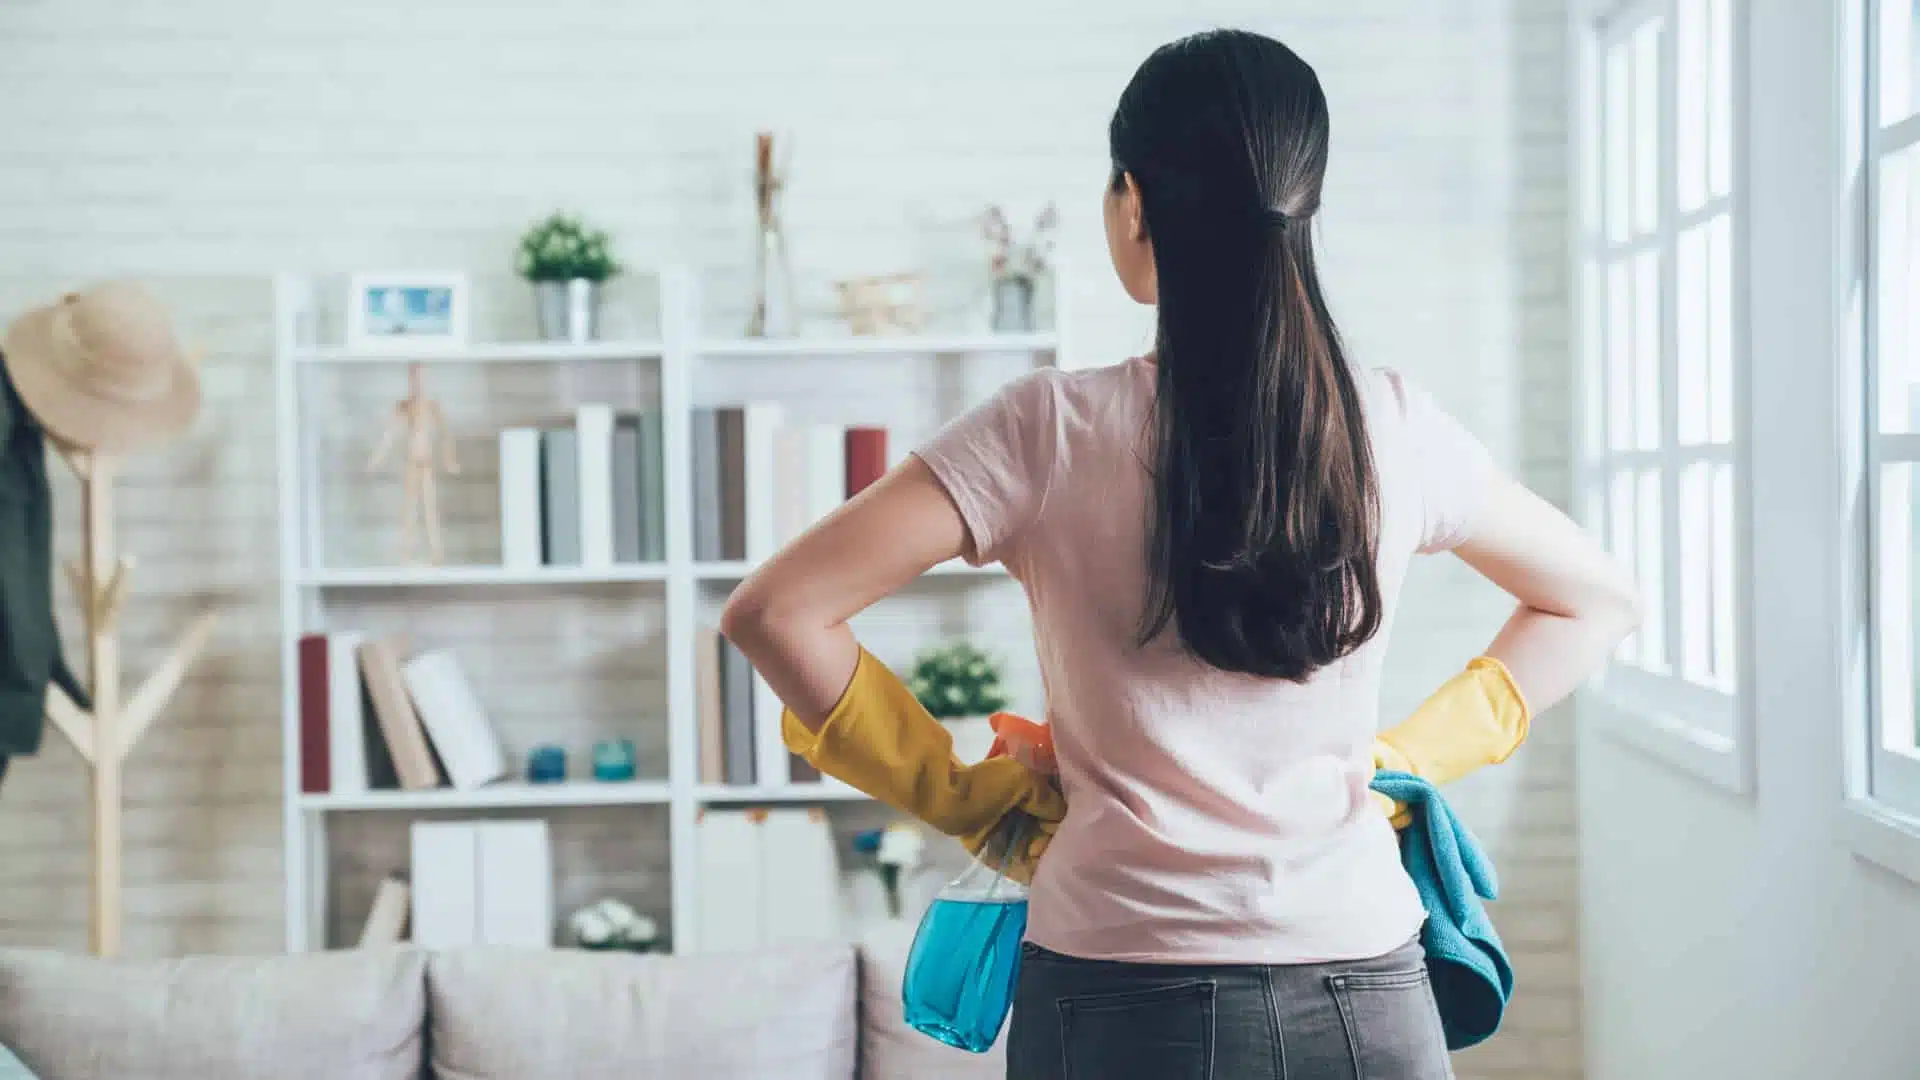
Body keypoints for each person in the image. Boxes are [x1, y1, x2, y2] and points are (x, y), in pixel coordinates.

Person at [721, 28, 1638, 1080]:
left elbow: (775, 610)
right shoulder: (1392, 424)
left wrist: (962, 796)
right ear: (1303, 210)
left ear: (1132, 205)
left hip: (1121, 991)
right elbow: (1593, 600)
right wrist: (1410, 759)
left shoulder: (1045, 431)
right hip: (1370, 991)